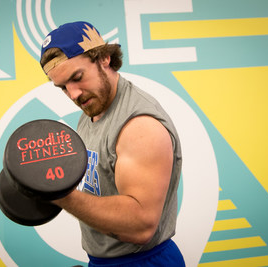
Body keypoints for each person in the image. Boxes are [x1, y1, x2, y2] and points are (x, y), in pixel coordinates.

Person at [40, 21, 185, 267]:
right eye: (63, 87)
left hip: (144, 262)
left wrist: (59, 194)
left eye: (77, 77)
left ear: (104, 58)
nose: (73, 94)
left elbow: (140, 226)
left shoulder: (139, 126)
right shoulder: (92, 108)